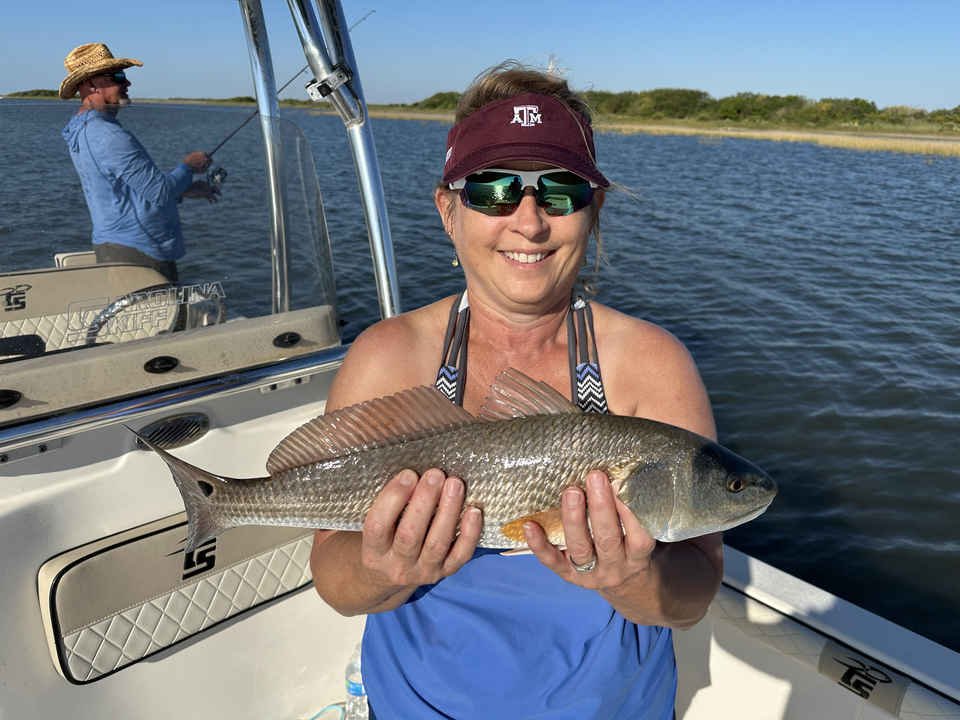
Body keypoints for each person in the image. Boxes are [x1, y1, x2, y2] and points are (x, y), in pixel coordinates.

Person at [309, 61, 722, 719]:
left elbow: (694, 592)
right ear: (449, 209)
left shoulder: (652, 361)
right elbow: (334, 578)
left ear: (593, 209)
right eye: (493, 190)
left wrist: (633, 578)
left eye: (560, 192)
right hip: (420, 704)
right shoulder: (388, 354)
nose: (528, 223)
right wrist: (383, 566)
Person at [59, 43, 217, 283]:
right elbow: (159, 191)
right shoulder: (108, 135)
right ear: (91, 83)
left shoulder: (85, 128)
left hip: (119, 246)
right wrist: (189, 166)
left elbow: (122, 190)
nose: (127, 83)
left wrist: (185, 191)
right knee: (167, 319)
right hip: (139, 251)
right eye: (118, 77)